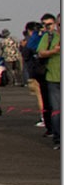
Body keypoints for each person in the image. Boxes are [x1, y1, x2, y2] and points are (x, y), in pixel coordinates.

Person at [36, 14, 59, 148]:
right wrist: (53, 51)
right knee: (56, 110)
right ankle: (58, 138)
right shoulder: (49, 37)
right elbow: (40, 53)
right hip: (53, 78)